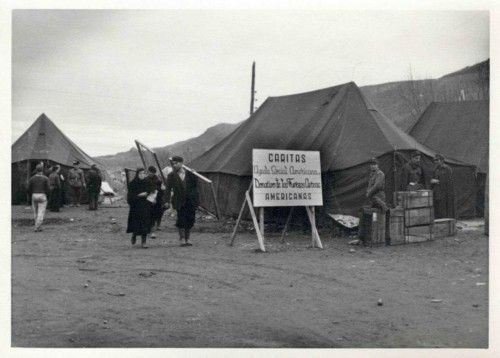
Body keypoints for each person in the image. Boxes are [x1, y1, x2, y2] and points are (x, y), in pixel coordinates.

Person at [165, 156, 198, 246]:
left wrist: (195, 174)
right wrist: (166, 201)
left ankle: (188, 238)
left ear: (182, 163)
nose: (174, 165)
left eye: (176, 163)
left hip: (190, 201)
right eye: (173, 164)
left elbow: (196, 186)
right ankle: (182, 239)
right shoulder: (171, 175)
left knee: (190, 219)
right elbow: (168, 189)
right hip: (179, 201)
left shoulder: (190, 174)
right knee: (181, 219)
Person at [358, 158, 389, 245]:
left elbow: (377, 186)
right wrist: (368, 193)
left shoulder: (380, 174)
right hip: (373, 198)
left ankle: (380, 237)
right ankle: (366, 238)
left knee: (382, 213)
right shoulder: (372, 174)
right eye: (371, 164)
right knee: (368, 214)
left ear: (377, 165)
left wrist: (369, 193)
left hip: (378, 198)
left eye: (374, 164)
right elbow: (370, 186)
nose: (372, 166)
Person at [126, 168, 155, 248]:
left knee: (145, 223)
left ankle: (144, 242)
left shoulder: (148, 182)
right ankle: (134, 235)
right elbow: (129, 197)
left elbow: (152, 191)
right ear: (137, 174)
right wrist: (138, 195)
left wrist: (150, 195)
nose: (142, 175)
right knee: (136, 223)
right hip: (136, 207)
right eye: (140, 173)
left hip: (145, 205)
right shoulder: (132, 184)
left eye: (144, 173)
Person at [431, 154, 456, 219]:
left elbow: (449, 181)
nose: (435, 161)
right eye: (434, 160)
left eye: (437, 160)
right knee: (438, 210)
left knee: (445, 210)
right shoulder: (435, 169)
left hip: (445, 193)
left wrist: (438, 181)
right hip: (437, 193)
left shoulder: (447, 169)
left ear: (442, 160)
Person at [27, 164, 50, 232]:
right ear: (42, 170)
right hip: (42, 195)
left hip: (34, 195)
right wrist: (48, 196)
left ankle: (39, 226)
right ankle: (37, 227)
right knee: (41, 212)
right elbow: (48, 189)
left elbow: (28, 188)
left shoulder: (32, 178)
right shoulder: (45, 178)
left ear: (36, 170)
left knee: (35, 212)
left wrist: (31, 194)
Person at [147, 166, 165, 238]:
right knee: (149, 215)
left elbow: (161, 190)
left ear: (154, 173)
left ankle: (153, 229)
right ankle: (150, 230)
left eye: (152, 172)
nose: (150, 173)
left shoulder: (158, 180)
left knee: (156, 214)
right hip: (148, 199)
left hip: (157, 200)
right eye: (149, 172)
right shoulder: (146, 179)